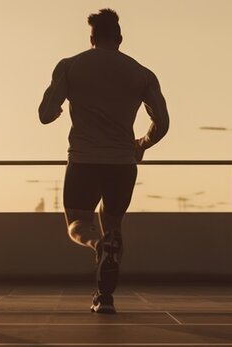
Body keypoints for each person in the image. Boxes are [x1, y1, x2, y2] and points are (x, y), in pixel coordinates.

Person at [38, 9, 169, 314]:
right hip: (123, 163)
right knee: (113, 224)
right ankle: (105, 296)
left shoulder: (71, 66)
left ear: (92, 37)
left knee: (78, 224)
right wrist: (141, 144)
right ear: (120, 39)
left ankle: (97, 245)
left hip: (84, 160)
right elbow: (161, 122)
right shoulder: (141, 73)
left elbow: (45, 113)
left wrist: (57, 110)